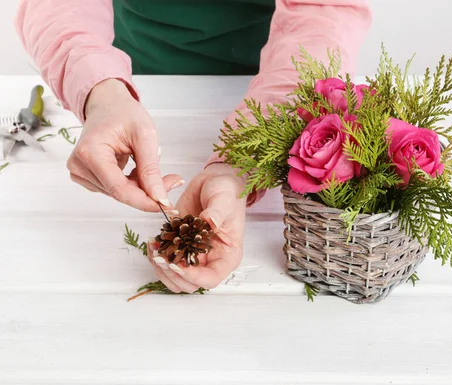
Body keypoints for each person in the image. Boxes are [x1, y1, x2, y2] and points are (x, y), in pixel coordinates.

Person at [15, 0, 371, 293]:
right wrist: (99, 91)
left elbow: (324, 13)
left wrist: (240, 162)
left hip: (277, 82)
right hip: (134, 74)